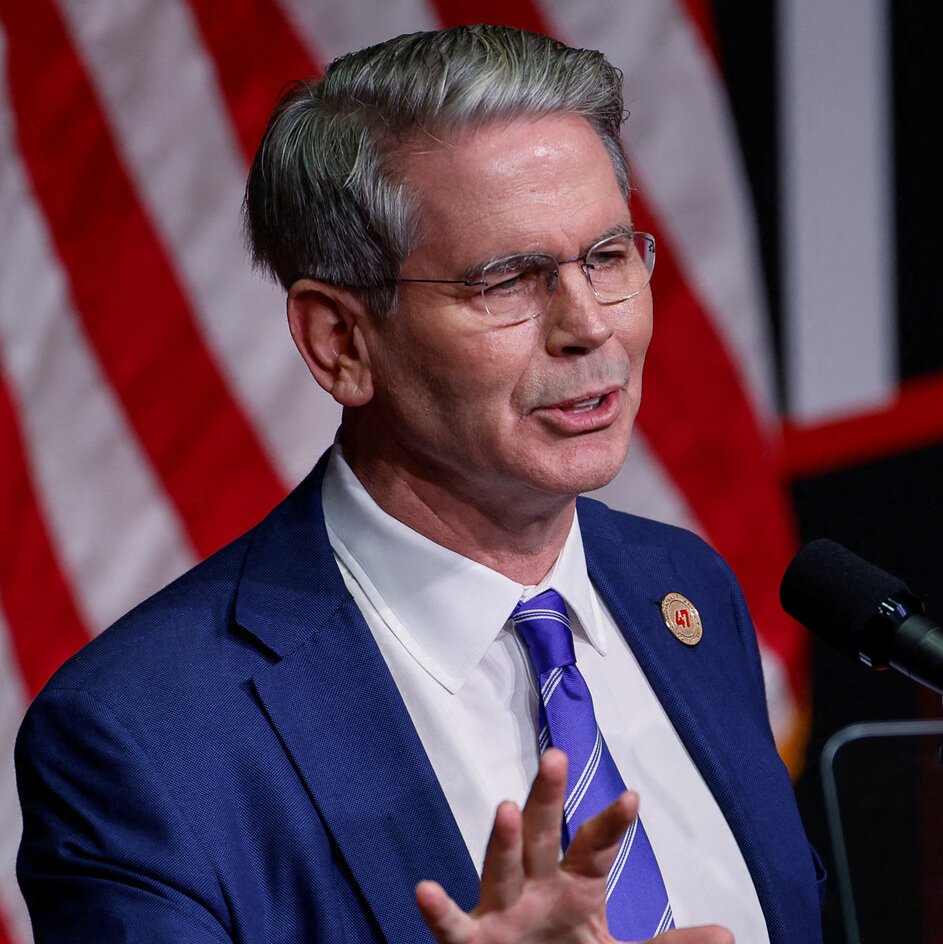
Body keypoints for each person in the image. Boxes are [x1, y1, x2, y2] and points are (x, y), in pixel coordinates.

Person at [15, 24, 824, 944]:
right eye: (507, 281)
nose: (588, 327)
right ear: (341, 343)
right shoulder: (146, 735)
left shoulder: (683, 592)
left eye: (605, 258)